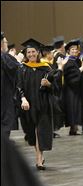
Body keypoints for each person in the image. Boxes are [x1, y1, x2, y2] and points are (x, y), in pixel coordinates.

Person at [16, 38, 57, 170]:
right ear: (26, 54)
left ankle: (39, 158)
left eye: (33, 51)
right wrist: (23, 99)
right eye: (29, 52)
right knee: (31, 132)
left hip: (43, 103)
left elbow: (56, 87)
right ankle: (38, 153)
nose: (31, 54)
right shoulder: (22, 69)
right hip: (28, 104)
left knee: (40, 131)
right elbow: (18, 86)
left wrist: (48, 84)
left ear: (38, 52)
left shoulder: (45, 68)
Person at [63, 39, 83, 135]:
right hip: (70, 90)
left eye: (76, 49)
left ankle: (75, 128)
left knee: (77, 108)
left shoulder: (76, 61)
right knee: (73, 108)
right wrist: (82, 68)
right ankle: (73, 129)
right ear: (68, 51)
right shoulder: (68, 61)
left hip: (77, 89)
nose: (74, 51)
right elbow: (71, 77)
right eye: (72, 49)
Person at [1, 32, 21, 138]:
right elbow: (16, 70)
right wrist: (18, 60)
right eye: (6, 42)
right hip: (4, 99)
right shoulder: (5, 57)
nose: (7, 45)